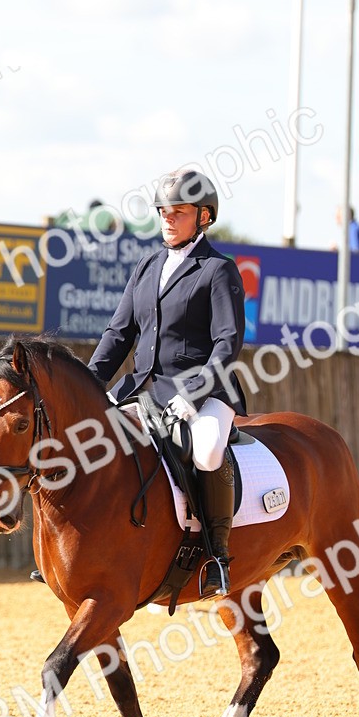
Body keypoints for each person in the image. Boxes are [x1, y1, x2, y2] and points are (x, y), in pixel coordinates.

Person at [87, 169, 246, 598]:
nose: (168, 219)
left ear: (204, 216)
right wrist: (90, 382)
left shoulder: (217, 270)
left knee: (209, 448)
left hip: (206, 389)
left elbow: (227, 343)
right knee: (93, 443)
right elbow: (119, 334)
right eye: (163, 212)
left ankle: (217, 555)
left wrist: (195, 394)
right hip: (144, 387)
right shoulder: (147, 265)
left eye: (178, 212)